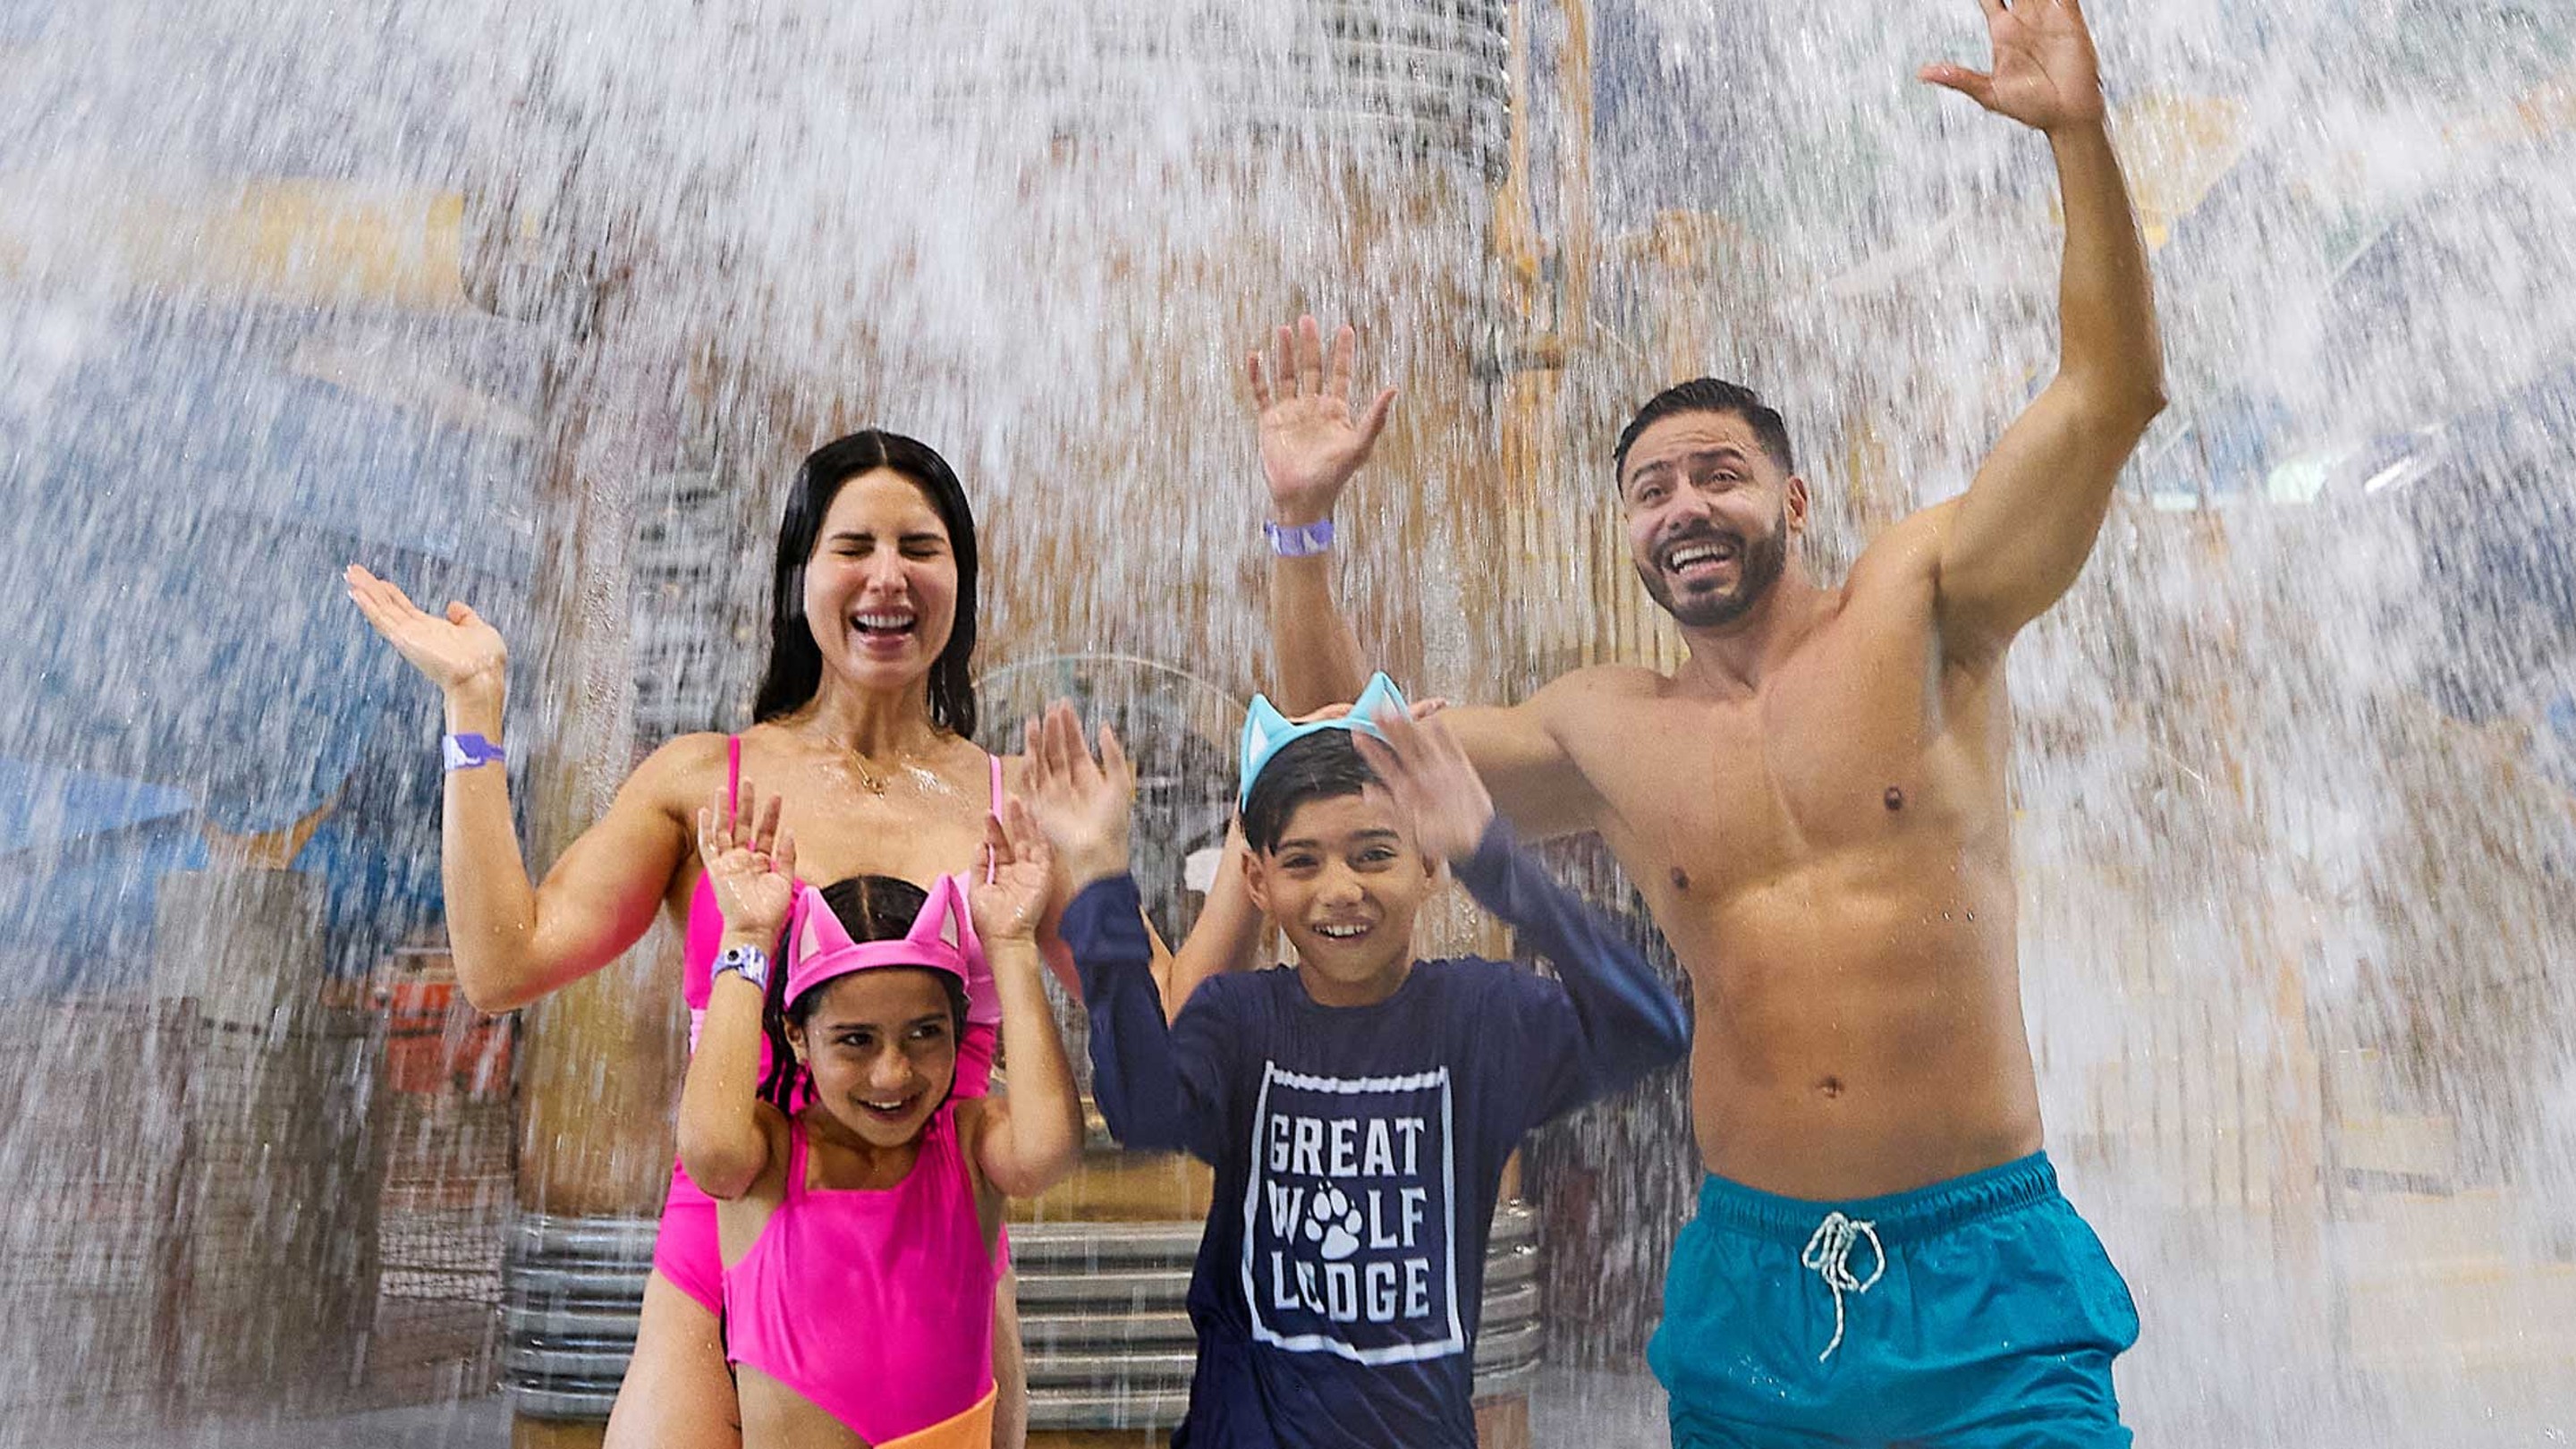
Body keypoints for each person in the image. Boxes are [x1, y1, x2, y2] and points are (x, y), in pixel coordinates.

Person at [1246, 1, 2165, 1441]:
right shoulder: (1605, 730)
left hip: (1983, 1271)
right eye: (1651, 490)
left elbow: (2112, 393)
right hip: (1753, 1279)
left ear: (1791, 499)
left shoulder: (1926, 602)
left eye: (1718, 474)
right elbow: (1342, 744)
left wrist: (2079, 142)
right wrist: (1303, 529)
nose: (1685, 507)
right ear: (1628, 533)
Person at [345, 429, 1249, 1445]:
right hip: (722, 1242)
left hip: (941, 1271)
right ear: (800, 575)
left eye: (921, 548)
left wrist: (1211, 838)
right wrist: (473, 716)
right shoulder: (701, 781)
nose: (888, 576)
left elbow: (1173, 1028)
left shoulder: (1018, 808)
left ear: (960, 579)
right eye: (853, 546)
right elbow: (503, 964)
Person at [1021, 682, 1688, 1448]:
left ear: (1430, 863)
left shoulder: (1482, 1021)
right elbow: (1141, 1110)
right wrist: (1100, 879)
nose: (1341, 890)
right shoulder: (1239, 1022)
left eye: (1374, 854)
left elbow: (1652, 1028)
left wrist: (1491, 854)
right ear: (1258, 881)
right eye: (1302, 862)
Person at [679, 781, 1082, 1449]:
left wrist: (1011, 945)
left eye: (925, 1034)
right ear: (798, 1037)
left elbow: (1048, 1152)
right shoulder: (769, 1156)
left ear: (959, 1030)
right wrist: (748, 936)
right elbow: (710, 1152)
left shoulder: (969, 1144)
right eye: (855, 1041)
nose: (893, 1073)